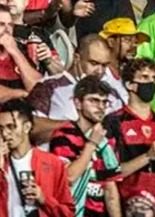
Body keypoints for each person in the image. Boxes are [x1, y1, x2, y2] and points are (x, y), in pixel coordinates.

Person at [0, 100, 74, 217]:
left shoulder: (52, 163)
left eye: (11, 127)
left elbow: (68, 212)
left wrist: (44, 199)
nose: (5, 134)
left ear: (27, 127)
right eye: (1, 128)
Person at [103, 58, 155, 215]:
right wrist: (148, 156)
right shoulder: (113, 122)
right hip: (127, 205)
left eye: (154, 79)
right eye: (144, 77)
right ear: (130, 85)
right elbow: (110, 174)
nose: (151, 83)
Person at [49, 77, 121, 217]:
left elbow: (110, 188)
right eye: (93, 101)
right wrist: (92, 144)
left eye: (104, 102)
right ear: (78, 103)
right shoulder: (63, 135)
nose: (100, 107)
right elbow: (69, 177)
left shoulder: (106, 140)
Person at [28, 34, 113, 141]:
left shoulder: (108, 92)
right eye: (94, 63)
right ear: (77, 58)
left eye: (104, 65)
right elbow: (31, 127)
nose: (100, 71)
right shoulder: (50, 86)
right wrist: (77, 126)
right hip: (57, 154)